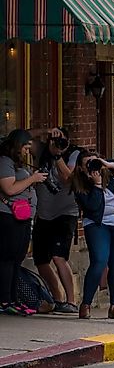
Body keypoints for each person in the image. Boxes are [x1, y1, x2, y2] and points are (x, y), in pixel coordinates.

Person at [70, 152, 114, 320]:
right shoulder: (80, 184)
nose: (93, 167)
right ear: (81, 168)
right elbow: (91, 207)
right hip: (97, 224)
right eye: (88, 164)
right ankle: (86, 305)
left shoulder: (107, 170)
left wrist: (107, 164)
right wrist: (97, 185)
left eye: (94, 162)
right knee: (99, 261)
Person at [33, 125, 82, 313]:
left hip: (65, 213)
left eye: (61, 139)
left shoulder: (73, 153)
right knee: (41, 260)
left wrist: (58, 154)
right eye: (54, 139)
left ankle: (71, 301)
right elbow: (19, 137)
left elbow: (68, 178)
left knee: (59, 256)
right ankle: (57, 299)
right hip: (44, 213)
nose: (57, 142)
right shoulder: (42, 150)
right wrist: (45, 132)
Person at [0, 130, 47, 316]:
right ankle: (4, 301)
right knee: (7, 259)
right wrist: (32, 179)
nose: (28, 149)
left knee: (17, 259)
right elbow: (9, 189)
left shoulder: (18, 164)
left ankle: (14, 299)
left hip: (23, 217)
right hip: (8, 217)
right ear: (17, 145)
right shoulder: (4, 162)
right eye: (26, 146)